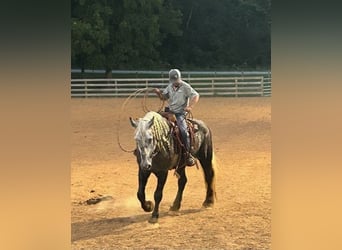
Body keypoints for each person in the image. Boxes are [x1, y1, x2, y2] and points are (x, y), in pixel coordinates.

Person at [154, 69, 200, 166]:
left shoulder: (186, 87)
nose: (175, 82)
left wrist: (190, 106)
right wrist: (158, 93)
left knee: (183, 131)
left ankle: (188, 154)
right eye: (174, 81)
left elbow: (196, 95)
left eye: (176, 80)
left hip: (180, 113)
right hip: (169, 111)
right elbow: (164, 98)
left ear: (179, 79)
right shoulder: (169, 87)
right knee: (154, 122)